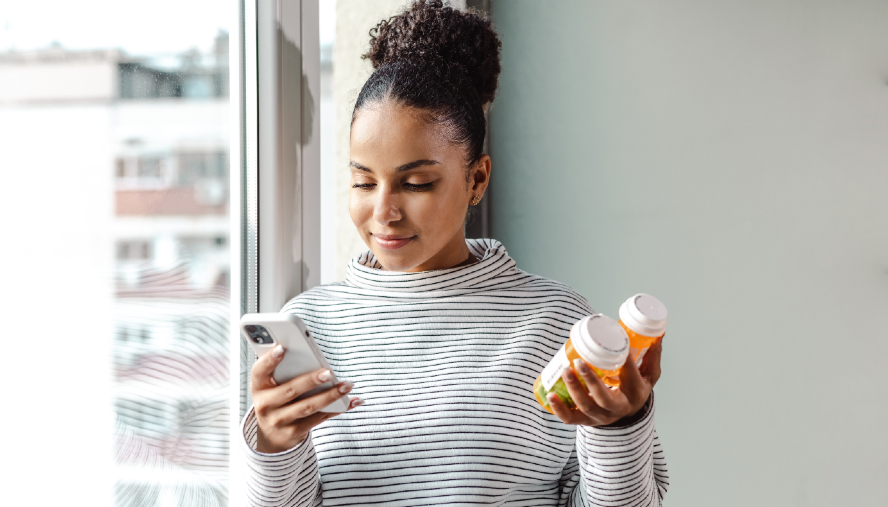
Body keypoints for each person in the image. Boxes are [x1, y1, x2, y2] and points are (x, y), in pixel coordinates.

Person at [239, 1, 668, 505]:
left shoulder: (556, 325)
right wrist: (271, 446)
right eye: (362, 181)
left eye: (416, 183)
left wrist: (621, 426)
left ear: (476, 178)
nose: (383, 212)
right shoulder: (309, 327)